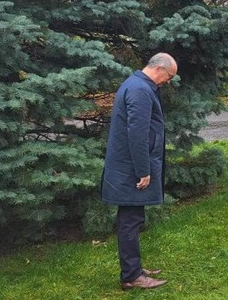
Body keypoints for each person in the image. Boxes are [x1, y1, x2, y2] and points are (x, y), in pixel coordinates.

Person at [101, 53, 177, 290]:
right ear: (159, 69)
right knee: (130, 222)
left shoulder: (136, 84)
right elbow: (137, 133)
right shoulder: (140, 89)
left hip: (126, 166)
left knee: (132, 219)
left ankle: (134, 270)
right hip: (130, 169)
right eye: (170, 76)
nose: (169, 81)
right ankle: (132, 276)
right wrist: (143, 170)